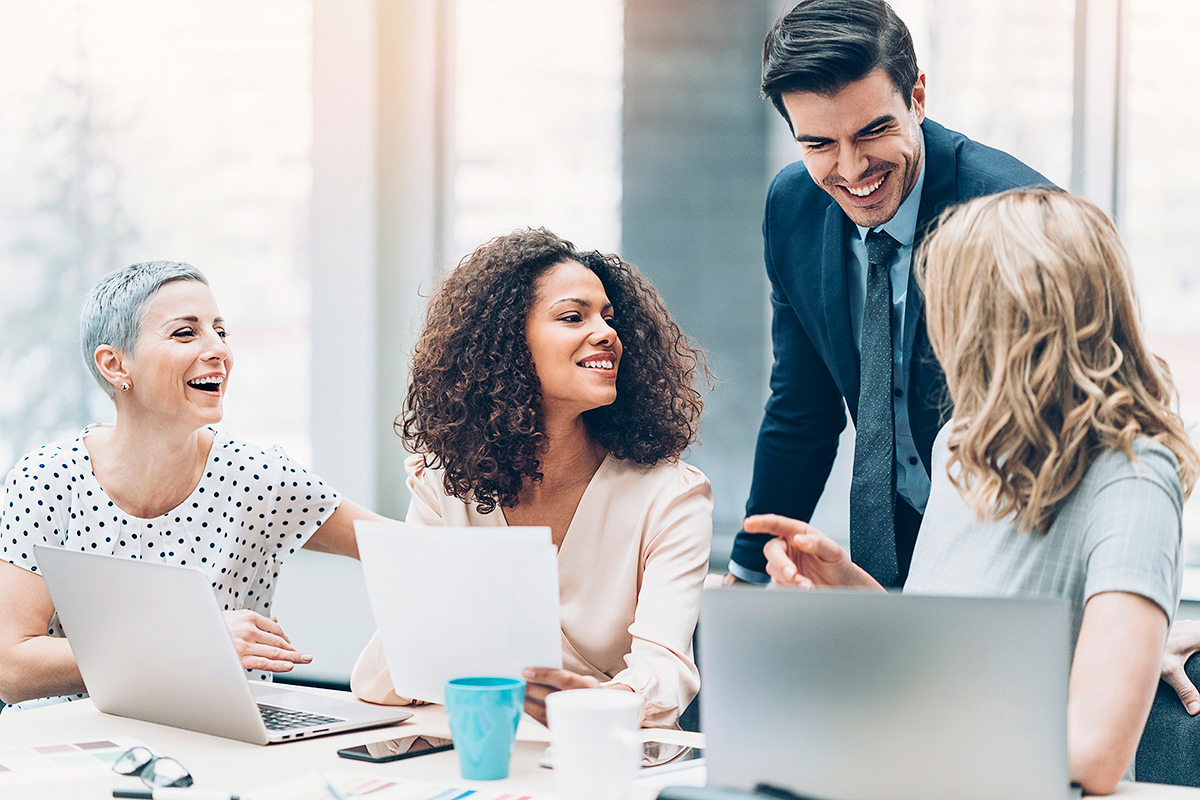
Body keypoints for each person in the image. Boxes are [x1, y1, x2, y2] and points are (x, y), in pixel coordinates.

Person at [756, 188, 1198, 794]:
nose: (937, 328)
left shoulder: (1134, 474)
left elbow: (1095, 752)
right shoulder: (963, 441)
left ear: (1017, 320)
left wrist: (881, 730)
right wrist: (845, 588)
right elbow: (940, 658)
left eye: (955, 303)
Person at [727, 0, 1050, 589]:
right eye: (819, 143)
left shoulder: (1016, 212)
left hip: (1012, 540)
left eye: (873, 130)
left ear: (918, 97)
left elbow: (1062, 426)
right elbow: (802, 406)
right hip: (893, 538)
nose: (851, 170)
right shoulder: (793, 207)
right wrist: (747, 573)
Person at [350, 228, 713, 728]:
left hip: (607, 752)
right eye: (572, 316)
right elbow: (382, 684)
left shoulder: (672, 494)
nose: (607, 333)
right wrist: (428, 577)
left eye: (609, 318)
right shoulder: (448, 486)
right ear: (502, 344)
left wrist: (591, 703)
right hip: (486, 752)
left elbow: (666, 669)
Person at [0, 261, 391, 709]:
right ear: (114, 364)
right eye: (185, 333)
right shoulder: (47, 478)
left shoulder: (259, 476)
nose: (218, 350)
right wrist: (193, 641)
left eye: (220, 332)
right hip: (68, 749)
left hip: (218, 739)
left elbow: (402, 551)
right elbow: (11, 668)